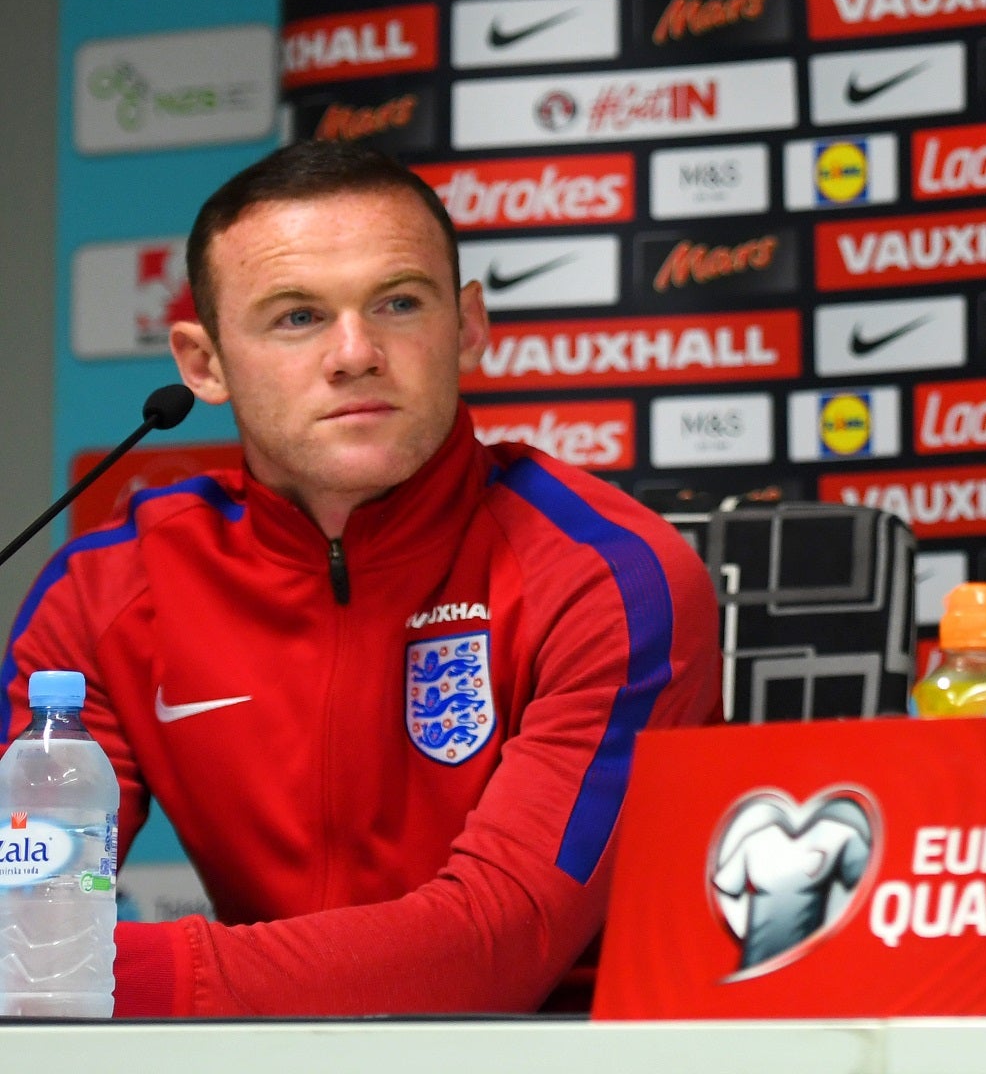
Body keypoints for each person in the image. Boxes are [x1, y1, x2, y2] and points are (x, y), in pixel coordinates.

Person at [1, 141, 720, 1016]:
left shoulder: (608, 576)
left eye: (399, 303)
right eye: (297, 316)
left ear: (467, 327)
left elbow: (496, 947)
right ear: (203, 364)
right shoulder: (109, 590)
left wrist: (106, 974)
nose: (356, 353)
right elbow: (23, 904)